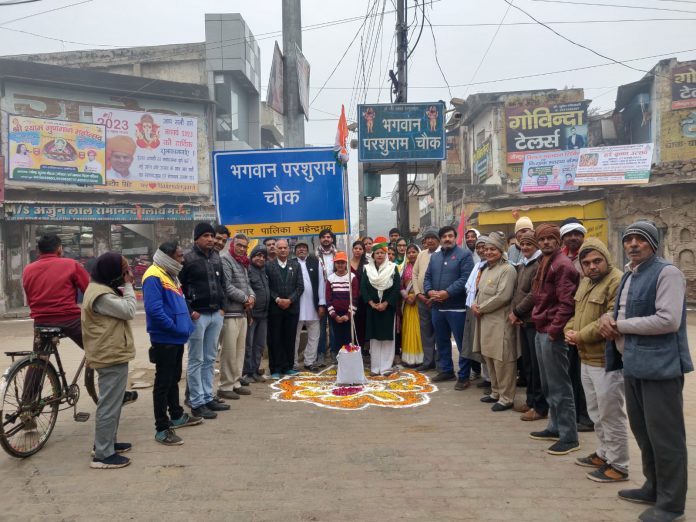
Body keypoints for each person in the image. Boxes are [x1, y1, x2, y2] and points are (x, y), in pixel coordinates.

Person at [601, 221, 692, 522]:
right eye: (629, 239)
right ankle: (653, 487)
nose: (633, 244)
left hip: (660, 368)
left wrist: (619, 326)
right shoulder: (629, 274)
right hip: (633, 364)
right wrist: (609, 321)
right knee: (644, 433)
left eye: (641, 239)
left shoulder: (668, 273)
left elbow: (668, 320)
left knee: (666, 439)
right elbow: (623, 314)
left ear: (653, 243)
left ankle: (671, 504)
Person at [564, 238, 628, 483]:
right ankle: (603, 454)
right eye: (586, 262)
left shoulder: (617, 281)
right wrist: (568, 331)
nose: (591, 266)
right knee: (596, 411)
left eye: (596, 261)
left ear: (606, 259)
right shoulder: (586, 282)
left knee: (611, 414)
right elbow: (575, 314)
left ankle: (619, 465)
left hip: (607, 360)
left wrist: (579, 335)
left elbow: (609, 320)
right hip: (585, 358)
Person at [142, 242, 201, 446]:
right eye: (178, 256)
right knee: (163, 382)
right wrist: (175, 327)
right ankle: (162, 427)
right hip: (164, 338)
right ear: (168, 256)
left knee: (174, 377)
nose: (182, 259)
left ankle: (176, 414)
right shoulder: (153, 275)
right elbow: (154, 311)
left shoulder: (170, 274)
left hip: (176, 337)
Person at [529, 223, 580, 455]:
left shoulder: (562, 265)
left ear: (557, 241)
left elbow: (567, 303)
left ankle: (569, 437)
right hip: (542, 328)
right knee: (548, 383)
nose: (547, 242)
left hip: (552, 331)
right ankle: (554, 426)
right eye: (543, 239)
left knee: (560, 385)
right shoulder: (545, 262)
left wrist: (553, 330)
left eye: (551, 238)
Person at [82, 253, 136, 469]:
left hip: (110, 351)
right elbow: (129, 310)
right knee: (109, 405)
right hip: (109, 354)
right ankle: (103, 455)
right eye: (124, 270)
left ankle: (107, 444)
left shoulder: (99, 289)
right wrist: (129, 285)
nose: (127, 273)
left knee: (113, 403)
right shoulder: (101, 295)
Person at [180, 223, 229, 420]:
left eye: (211, 235)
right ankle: (197, 402)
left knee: (210, 359)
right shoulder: (187, 258)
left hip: (215, 314)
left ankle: (208, 397)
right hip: (197, 316)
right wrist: (190, 311)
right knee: (196, 360)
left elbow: (222, 283)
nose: (211, 239)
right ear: (197, 238)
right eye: (206, 235)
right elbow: (179, 287)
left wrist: (223, 307)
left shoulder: (216, 257)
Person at [472, 232, 518, 411]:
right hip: (485, 321)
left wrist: (480, 308)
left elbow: (503, 296)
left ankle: (507, 398)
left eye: (493, 249)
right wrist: (475, 304)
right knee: (489, 356)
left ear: (501, 250)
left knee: (502, 360)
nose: (489, 252)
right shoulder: (486, 269)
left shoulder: (508, 269)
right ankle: (496, 392)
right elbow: (479, 292)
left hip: (500, 321)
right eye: (487, 249)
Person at [424, 225, 474, 389]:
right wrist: (429, 290)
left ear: (455, 237)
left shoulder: (464, 255)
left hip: (457, 307)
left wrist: (447, 292)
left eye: (450, 236)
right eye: (444, 236)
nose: (447, 239)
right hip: (437, 308)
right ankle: (446, 370)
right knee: (441, 340)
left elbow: (465, 279)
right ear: (440, 239)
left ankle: (464, 376)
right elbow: (428, 277)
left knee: (461, 343)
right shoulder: (435, 257)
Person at [23, 234, 90, 349]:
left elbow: (29, 296)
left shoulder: (28, 269)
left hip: (41, 321)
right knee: (97, 349)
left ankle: (38, 364)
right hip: (70, 320)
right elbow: (89, 290)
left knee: (39, 360)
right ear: (59, 248)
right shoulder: (71, 264)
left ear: (39, 250)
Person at [509, 231, 548, 422]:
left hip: (533, 320)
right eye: (522, 244)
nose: (524, 247)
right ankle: (531, 401)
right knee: (528, 365)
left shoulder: (539, 264)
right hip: (523, 320)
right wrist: (515, 313)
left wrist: (516, 312)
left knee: (536, 366)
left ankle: (539, 406)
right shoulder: (525, 264)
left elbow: (534, 294)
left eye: (529, 244)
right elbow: (518, 291)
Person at [560, 217, 593, 432]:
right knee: (570, 372)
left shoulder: (590, 258)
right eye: (569, 234)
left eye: (577, 234)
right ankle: (573, 414)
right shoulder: (560, 258)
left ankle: (587, 417)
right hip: (565, 323)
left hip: (586, 322)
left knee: (585, 375)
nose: (573, 237)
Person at [219, 233, 254, 400]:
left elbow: (248, 285)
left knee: (240, 350)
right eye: (239, 245)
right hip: (230, 313)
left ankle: (236, 382)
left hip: (242, 312)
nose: (241, 248)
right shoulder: (225, 259)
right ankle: (225, 386)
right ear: (232, 245)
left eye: (244, 246)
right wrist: (245, 298)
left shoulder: (243, 262)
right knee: (229, 351)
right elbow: (226, 286)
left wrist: (252, 297)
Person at [362, 237, 400, 376]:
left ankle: (385, 368)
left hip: (387, 309)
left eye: (382, 253)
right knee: (375, 339)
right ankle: (375, 368)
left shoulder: (392, 268)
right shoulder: (367, 269)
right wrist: (372, 303)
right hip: (372, 309)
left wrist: (385, 303)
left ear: (386, 254)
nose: (379, 255)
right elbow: (363, 288)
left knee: (387, 339)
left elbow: (396, 289)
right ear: (373, 255)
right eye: (377, 253)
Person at [266, 239, 304, 379]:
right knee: (275, 339)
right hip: (275, 308)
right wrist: (277, 299)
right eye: (280, 248)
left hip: (291, 308)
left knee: (289, 338)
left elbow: (300, 287)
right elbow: (267, 287)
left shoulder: (295, 265)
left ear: (289, 249)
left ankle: (287, 367)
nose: (282, 250)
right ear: (275, 250)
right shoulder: (268, 266)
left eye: (285, 248)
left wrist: (290, 300)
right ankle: (275, 368)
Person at [462, 236, 490, 390]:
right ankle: (487, 378)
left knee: (489, 346)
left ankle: (494, 381)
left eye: (484, 247)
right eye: (479, 248)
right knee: (479, 345)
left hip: (487, 310)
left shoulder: (499, 266)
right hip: (473, 308)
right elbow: (470, 287)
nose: (481, 250)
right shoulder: (478, 265)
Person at [294, 241, 326, 372]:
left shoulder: (315, 262)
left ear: (307, 250)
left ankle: (310, 361)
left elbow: (321, 283)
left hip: (313, 305)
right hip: (296, 306)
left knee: (314, 335)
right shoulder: (291, 263)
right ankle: (294, 362)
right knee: (293, 336)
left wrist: (321, 304)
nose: (301, 250)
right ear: (295, 251)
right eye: (299, 248)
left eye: (304, 248)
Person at [413, 228, 440, 372]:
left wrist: (433, 297)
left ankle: (441, 363)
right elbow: (415, 274)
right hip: (422, 299)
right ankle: (428, 361)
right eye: (427, 238)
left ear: (438, 239)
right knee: (426, 331)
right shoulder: (421, 255)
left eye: (432, 237)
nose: (429, 240)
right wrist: (418, 294)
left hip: (438, 299)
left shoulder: (442, 253)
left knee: (440, 332)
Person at [243, 245, 270, 383]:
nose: (261, 259)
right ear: (252, 256)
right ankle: (247, 372)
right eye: (258, 256)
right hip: (251, 315)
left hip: (264, 315)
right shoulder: (247, 270)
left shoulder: (264, 271)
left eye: (263, 257)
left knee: (259, 345)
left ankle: (255, 370)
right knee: (249, 344)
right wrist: (249, 314)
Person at [326, 252, 359, 351]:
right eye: (338, 263)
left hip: (348, 314)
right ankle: (338, 359)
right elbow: (328, 299)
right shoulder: (330, 278)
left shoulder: (352, 277)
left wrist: (348, 315)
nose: (340, 265)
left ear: (346, 263)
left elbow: (355, 298)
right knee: (337, 338)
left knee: (349, 338)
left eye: (342, 262)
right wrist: (334, 315)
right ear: (335, 264)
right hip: (335, 315)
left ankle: (348, 359)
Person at [400, 244, 423, 367]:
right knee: (408, 329)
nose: (411, 254)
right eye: (409, 252)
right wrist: (406, 296)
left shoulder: (423, 267)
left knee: (419, 330)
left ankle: (420, 359)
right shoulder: (404, 268)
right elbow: (401, 285)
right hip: (408, 303)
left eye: (414, 252)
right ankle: (409, 359)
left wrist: (416, 295)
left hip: (420, 301)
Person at [316, 229, 336, 365]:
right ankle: (321, 354)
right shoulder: (314, 256)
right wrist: (320, 302)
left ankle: (335, 353)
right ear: (320, 240)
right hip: (320, 297)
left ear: (332, 239)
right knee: (321, 329)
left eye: (328, 237)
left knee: (335, 328)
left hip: (335, 297)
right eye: (323, 237)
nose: (326, 239)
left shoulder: (338, 255)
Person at [350, 240, 368, 347]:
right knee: (352, 323)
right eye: (356, 248)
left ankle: (362, 347)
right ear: (352, 250)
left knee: (362, 323)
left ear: (363, 251)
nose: (357, 250)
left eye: (360, 249)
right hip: (350, 298)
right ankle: (352, 346)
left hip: (363, 299)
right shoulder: (346, 263)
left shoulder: (367, 264)